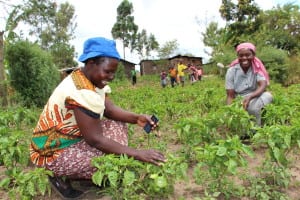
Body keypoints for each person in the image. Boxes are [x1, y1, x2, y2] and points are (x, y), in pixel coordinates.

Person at [29, 37, 166, 199]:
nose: (111, 77)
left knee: (118, 128)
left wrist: (137, 118)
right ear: (91, 63)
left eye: (113, 72)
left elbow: (109, 109)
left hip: (71, 139)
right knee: (108, 158)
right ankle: (55, 174)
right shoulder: (81, 90)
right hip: (50, 152)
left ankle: (89, 174)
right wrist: (137, 153)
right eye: (108, 71)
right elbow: (95, 140)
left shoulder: (89, 78)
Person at [225, 42, 273, 127]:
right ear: (238, 56)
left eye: (248, 55)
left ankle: (257, 128)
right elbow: (230, 95)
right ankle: (250, 129)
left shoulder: (257, 67)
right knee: (246, 111)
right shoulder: (231, 71)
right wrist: (230, 111)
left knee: (267, 96)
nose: (244, 58)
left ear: (253, 55)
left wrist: (250, 97)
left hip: (255, 96)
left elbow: (263, 85)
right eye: (241, 55)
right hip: (239, 99)